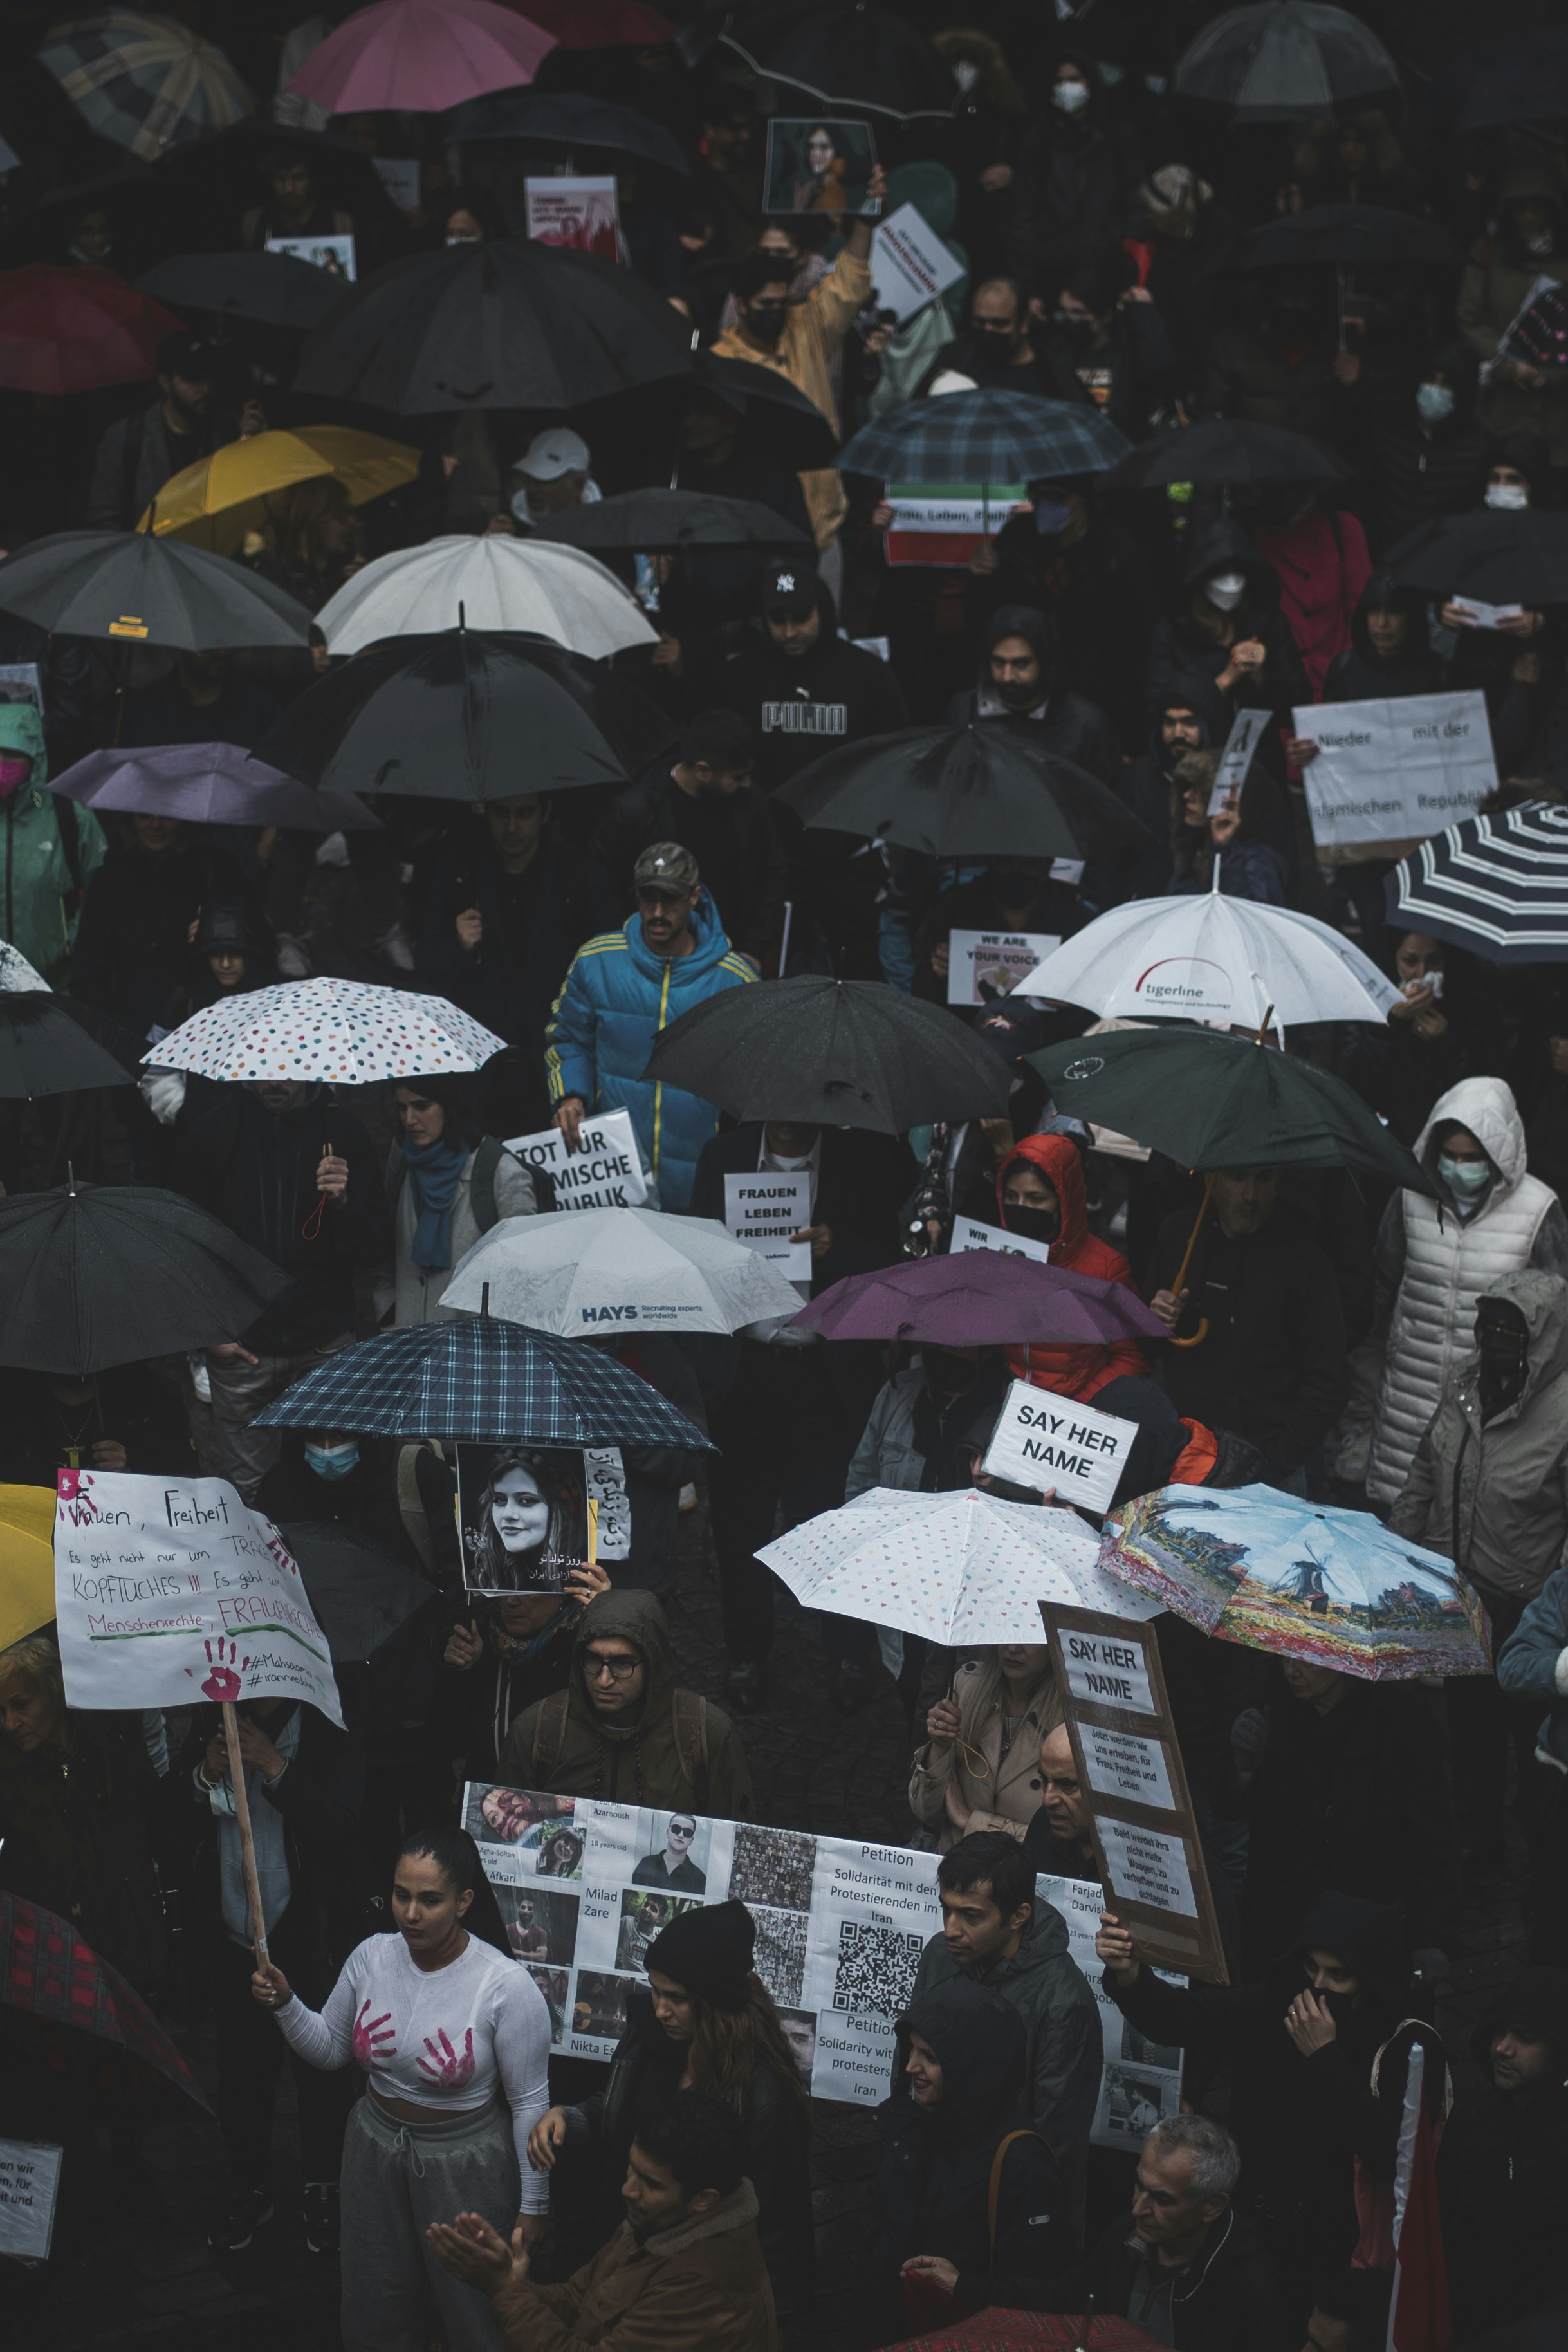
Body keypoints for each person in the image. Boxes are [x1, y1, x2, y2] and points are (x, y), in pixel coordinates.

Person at [252, 1826, 551, 2351]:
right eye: (401, 1894)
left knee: (474, 2308)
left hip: (466, 2166)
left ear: (464, 1901)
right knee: (375, 2298)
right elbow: (329, 2049)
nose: (410, 1913)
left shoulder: (504, 1985)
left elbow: (529, 2103)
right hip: (372, 2149)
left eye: (430, 1900)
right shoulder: (372, 1956)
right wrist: (285, 2003)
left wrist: (533, 2206)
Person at [1094, 1895, 1446, 2299]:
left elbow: (1395, 2151)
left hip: (1339, 2245)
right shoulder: (1275, 2004)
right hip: (1253, 2221)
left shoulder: (1409, 2045)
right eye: (1311, 1968)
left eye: (1339, 1976)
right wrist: (1130, 1975)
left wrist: (1324, 2058)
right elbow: (1184, 2018)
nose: (1319, 1987)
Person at [690, 1112, 912, 1710]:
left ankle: (848, 1651)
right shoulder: (723, 1156)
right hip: (745, 1369)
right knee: (739, 1527)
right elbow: (694, 1253)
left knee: (834, 1520)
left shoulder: (860, 1161)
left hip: (825, 1374)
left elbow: (889, 1261)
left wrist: (835, 1247)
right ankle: (746, 1654)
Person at [527, 1901, 811, 2320]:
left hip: (694, 2294)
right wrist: (570, 2118)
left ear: (713, 1999)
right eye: (655, 1990)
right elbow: (617, 2110)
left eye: (676, 1997)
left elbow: (773, 2230)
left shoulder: (762, 2094)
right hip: (622, 2259)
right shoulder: (648, 2036)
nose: (659, 2009)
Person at [167, 1689, 364, 2255]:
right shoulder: (214, 1715)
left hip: (310, 1934)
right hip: (236, 1933)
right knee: (243, 2071)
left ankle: (323, 2185)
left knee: (320, 2070)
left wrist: (275, 1767)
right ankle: (250, 2184)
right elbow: (169, 1816)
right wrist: (206, 1770)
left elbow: (342, 1829)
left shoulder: (332, 1724)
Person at [1392, 1272, 1568, 1867]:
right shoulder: (1464, 1384)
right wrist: (1394, 1549)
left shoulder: (1563, 1410)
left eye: (1510, 1329)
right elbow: (1424, 1467)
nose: (1494, 1338)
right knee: (1469, 1738)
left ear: (1540, 1338)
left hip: (1529, 1605)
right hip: (1461, 1594)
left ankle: (1538, 1858)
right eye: (1487, 1325)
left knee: (1532, 1739)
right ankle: (1479, 1850)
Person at [432, 2089, 779, 2350]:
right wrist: (514, 2283)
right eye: (633, 2168)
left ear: (703, 2200)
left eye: (651, 2183)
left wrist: (504, 2292)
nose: (628, 2189)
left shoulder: (702, 2286)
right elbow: (578, 2299)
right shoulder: (663, 2220)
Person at [176, 1075, 391, 1497]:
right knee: (251, 1500)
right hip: (243, 1350)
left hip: (324, 1344)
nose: (274, 1080)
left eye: (287, 1070)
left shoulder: (342, 1132)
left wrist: (344, 1203)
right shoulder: (215, 1131)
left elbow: (374, 1249)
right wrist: (207, 1332)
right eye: (262, 1070)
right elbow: (184, 1237)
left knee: (334, 1489)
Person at [1364, 1077, 1566, 1513]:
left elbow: (1553, 1321)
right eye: (1449, 1155)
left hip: (1493, 1405)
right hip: (1406, 1394)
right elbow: (1382, 1286)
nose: (1458, 1166)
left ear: (1499, 1155)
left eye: (1472, 1157)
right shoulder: (1408, 1196)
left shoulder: (1537, 1210)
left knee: (1466, 1523)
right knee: (1398, 1514)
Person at [545, 841, 756, 1214]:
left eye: (670, 899)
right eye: (647, 898)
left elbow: (757, 1075)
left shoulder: (734, 979)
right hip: (614, 1174)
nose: (657, 912)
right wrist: (570, 1095)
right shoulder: (597, 961)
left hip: (700, 1179)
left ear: (694, 897)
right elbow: (566, 1038)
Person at [1213, 1656, 1459, 1972]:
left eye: (1309, 1662)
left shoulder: (1403, 1721)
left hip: (1365, 1919)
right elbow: (1228, 1808)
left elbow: (1433, 1834)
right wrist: (1242, 1767)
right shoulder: (1268, 1705)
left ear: (1344, 1661)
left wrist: (1431, 1937)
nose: (1291, 1671)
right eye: (1287, 1657)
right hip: (1283, 1922)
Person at [909, 1831, 1102, 2226]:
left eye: (971, 1915)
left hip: (1006, 2205)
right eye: (946, 1910)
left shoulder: (1065, 2001)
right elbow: (911, 2064)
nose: (950, 1928)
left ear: (1018, 1916)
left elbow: (1056, 2143)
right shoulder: (939, 1956)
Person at [869, 1980, 1074, 2338]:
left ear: (972, 2067)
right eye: (912, 2050)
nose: (910, 2067)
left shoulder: (1022, 2163)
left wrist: (964, 2286)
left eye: (930, 2057)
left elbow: (1044, 2294)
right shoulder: (915, 2123)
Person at [709, 165, 886, 552]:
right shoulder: (721, 362)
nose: (776, 311)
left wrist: (864, 220)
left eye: (780, 302)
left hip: (822, 522)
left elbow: (849, 284)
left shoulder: (806, 325)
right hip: (755, 528)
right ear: (741, 305)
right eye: (764, 305)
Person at [1010, 2113, 1296, 2349]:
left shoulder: (1251, 2289)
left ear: (1212, 2206)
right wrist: (966, 2285)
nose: (1138, 2209)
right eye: (1139, 2186)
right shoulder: (1128, 2234)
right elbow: (1063, 2298)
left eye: (1162, 2199)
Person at [1147, 1163, 1351, 1488]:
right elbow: (1146, 1351)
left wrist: (1278, 1461)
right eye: (1237, 1177)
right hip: (1181, 1451)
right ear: (1210, 1178)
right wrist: (1155, 1322)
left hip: (1264, 1462)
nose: (1250, 1195)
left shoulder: (1305, 1264)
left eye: (1264, 1178)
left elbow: (1329, 1380)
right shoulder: (1179, 1236)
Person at [0, 1633, 167, 1993]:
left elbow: (157, 1826)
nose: (11, 1723)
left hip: (137, 1949)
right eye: (1, 1711)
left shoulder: (111, 1744)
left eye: (21, 1704)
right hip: (64, 1964)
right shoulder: (10, 1778)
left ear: (55, 1689)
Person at [497, 1589, 754, 1819]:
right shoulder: (536, 1731)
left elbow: (731, 1844)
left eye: (622, 1664)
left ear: (652, 1665)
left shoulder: (706, 1735)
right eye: (593, 1660)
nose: (604, 1680)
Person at [415, 793, 620, 1069]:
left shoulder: (579, 877)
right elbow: (427, 965)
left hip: (557, 1056)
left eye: (524, 814)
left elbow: (608, 968)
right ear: (485, 812)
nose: (511, 828)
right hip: (480, 1056)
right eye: (501, 813)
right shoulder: (459, 874)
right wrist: (459, 947)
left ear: (544, 813)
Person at [591, 710, 789, 972]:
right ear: (702, 772)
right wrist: (633, 958)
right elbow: (606, 889)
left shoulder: (752, 805)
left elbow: (773, 874)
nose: (747, 784)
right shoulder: (636, 811)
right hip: (656, 967)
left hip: (731, 963)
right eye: (738, 777)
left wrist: (753, 950)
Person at [1436, 1966, 1568, 2341]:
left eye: (1525, 2038)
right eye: (1500, 2031)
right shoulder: (1473, 2110)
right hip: (1462, 2309)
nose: (1502, 2048)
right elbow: (1445, 2203)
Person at [69, 811, 256, 1041]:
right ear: (130, 820)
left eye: (167, 816)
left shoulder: (216, 870)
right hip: (129, 1035)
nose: (156, 826)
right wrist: (119, 1035)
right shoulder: (110, 880)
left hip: (206, 1033)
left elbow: (256, 946)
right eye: (145, 816)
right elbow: (87, 974)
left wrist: (218, 933)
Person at [992, 1132, 1147, 1402]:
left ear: (1065, 1202)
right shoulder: (993, 1254)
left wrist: (1078, 1408)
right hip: (1002, 1404)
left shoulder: (1107, 1269)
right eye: (1011, 1196)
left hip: (1069, 1418)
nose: (1021, 1207)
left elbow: (1131, 1357)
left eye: (1036, 1199)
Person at [380, 1075, 537, 1326]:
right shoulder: (402, 1159)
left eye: (421, 1106)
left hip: (475, 1350)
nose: (409, 1119)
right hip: (410, 1345)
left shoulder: (498, 1170)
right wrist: (388, 1312)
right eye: (402, 1107)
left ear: (450, 1106)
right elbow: (385, 1242)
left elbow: (524, 1272)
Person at [436, 1562, 610, 1784]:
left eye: (527, 1590)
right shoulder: (480, 1641)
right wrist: (460, 1673)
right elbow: (448, 1743)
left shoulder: (585, 1647)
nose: (511, 1601)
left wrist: (607, 1621)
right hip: (493, 1799)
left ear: (562, 1595)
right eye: (506, 1588)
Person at [1146, 521, 1310, 752]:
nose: (1231, 582)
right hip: (1196, 762)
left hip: (1260, 759)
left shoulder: (1266, 623)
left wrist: (1261, 676)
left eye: (1237, 571)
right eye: (1221, 572)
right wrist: (1224, 681)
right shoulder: (1172, 632)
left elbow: (1297, 703)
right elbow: (1158, 709)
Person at [1004, 51, 1143, 295]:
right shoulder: (1038, 140)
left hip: (1105, 271)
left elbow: (1134, 206)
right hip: (1050, 271)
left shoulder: (1117, 137)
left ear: (1090, 82)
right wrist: (1027, 285)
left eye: (1074, 79)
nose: (1066, 88)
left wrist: (1126, 272)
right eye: (1058, 82)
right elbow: (1023, 214)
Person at [85, 330, 254, 531]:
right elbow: (104, 520)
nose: (205, 388)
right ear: (165, 382)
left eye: (209, 376)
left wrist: (250, 443)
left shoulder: (228, 428)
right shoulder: (127, 437)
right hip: (146, 556)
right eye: (192, 379)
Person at [910, 1644, 1065, 1850]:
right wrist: (940, 1747)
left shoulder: (1070, 1719)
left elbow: (1063, 1843)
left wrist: (971, 1822)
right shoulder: (967, 1686)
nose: (1013, 1647)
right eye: (1008, 1630)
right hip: (956, 1868)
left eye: (1028, 1639)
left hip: (1025, 1876)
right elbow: (925, 1811)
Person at [0, 699, 106, 986]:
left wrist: (73, 942)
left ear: (35, 758)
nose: (1, 764)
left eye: (11, 754)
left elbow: (103, 890)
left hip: (56, 987)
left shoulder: (68, 816)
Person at [1021, 1723, 1098, 1878]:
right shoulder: (1043, 1824)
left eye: (1067, 1785)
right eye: (1044, 1780)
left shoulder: (1142, 1854)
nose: (1047, 1800)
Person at [506, 428, 603, 533]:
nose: (531, 489)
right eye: (529, 478)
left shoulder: (601, 531)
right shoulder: (510, 524)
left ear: (578, 487)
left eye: (544, 481)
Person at [634, 1813, 706, 1892]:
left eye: (687, 1832)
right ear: (667, 1833)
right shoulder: (646, 1863)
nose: (681, 1835)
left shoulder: (699, 1878)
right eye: (676, 1829)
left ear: (691, 1841)